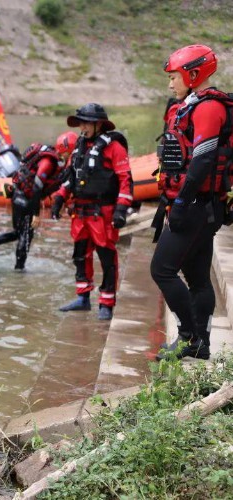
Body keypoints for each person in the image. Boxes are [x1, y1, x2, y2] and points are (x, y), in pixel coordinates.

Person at [152, 45, 233, 361]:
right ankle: (203, 345)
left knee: (162, 269)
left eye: (174, 77)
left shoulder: (209, 108)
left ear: (193, 74)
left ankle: (188, 337)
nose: (171, 84)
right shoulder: (189, 105)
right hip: (196, 204)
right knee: (198, 278)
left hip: (197, 205)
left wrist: (183, 203)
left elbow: (201, 161)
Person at [51, 103, 134, 321]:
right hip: (80, 213)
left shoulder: (114, 148)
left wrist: (121, 210)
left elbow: (126, 180)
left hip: (103, 213)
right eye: (80, 123)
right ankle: (83, 297)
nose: (82, 127)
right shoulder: (79, 146)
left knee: (107, 258)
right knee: (80, 255)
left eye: (86, 123)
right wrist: (59, 198)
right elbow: (71, 177)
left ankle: (106, 302)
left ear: (98, 124)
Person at [0, 134, 74, 270]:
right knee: (25, 235)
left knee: (19, 233)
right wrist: (36, 214)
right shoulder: (48, 162)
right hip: (22, 198)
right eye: (70, 152)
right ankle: (19, 270)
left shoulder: (61, 162)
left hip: (27, 198)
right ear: (64, 149)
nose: (71, 155)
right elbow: (37, 186)